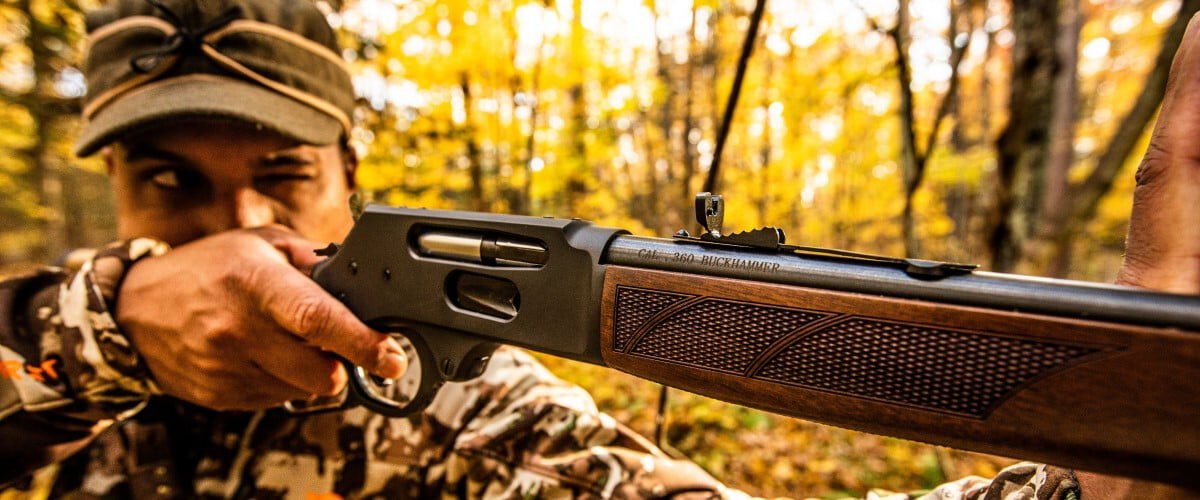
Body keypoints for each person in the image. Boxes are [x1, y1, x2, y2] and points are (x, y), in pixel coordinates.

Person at [0, 0, 1192, 497]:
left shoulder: (456, 408)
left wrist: (1090, 477)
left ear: (353, 179)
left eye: (282, 176)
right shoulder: (42, 370)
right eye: (169, 184)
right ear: (106, 184)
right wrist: (108, 318)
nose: (240, 233)